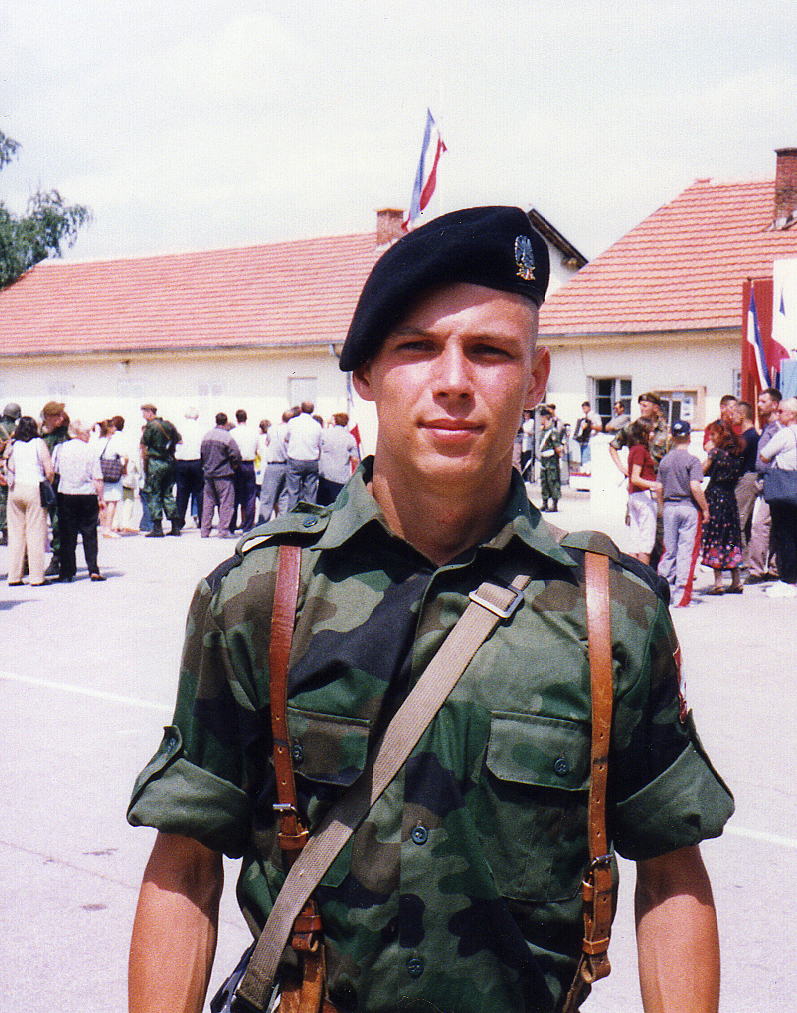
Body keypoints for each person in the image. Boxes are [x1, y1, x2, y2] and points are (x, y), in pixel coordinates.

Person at [128, 207, 732, 1013]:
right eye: (416, 347)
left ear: (536, 377)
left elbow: (669, 870)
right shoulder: (260, 596)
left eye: (489, 351)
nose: (453, 380)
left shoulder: (609, 611)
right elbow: (185, 862)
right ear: (364, 372)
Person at [656, 420, 709, 607]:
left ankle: (661, 591)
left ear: (672, 437)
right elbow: (695, 486)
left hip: (670, 506)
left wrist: (663, 506)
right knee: (686, 552)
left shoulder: (665, 460)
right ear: (689, 437)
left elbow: (659, 487)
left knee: (669, 551)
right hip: (688, 506)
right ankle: (681, 596)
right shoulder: (692, 460)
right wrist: (705, 508)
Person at [53, 418, 106, 582]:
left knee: (67, 534)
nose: (89, 435)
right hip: (87, 494)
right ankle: (93, 569)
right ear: (80, 433)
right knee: (89, 532)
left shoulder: (60, 448)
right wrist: (101, 498)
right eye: (87, 432)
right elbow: (97, 477)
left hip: (66, 493)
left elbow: (54, 470)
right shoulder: (91, 450)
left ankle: (67, 572)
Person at [3, 415, 54, 586]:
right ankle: (37, 577)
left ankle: (14, 576)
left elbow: (10, 467)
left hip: (15, 489)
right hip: (34, 488)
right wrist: (48, 483)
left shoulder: (14, 444)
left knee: (16, 534)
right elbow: (49, 469)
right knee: (35, 533)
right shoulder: (39, 443)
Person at [758, 397, 797, 598]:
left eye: (781, 411)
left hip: (785, 489)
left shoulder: (785, 434)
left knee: (784, 535)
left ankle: (789, 579)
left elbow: (764, 455)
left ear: (792, 414)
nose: (778, 414)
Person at [701, 420, 745, 595]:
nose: (711, 438)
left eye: (713, 434)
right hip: (730, 497)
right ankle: (736, 581)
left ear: (721, 435)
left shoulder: (716, 453)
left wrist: (709, 452)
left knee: (715, 535)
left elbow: (702, 470)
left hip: (715, 496)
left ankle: (718, 582)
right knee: (731, 537)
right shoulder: (736, 453)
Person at [746, 387, 782, 584]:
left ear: (774, 405)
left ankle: (757, 570)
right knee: (772, 524)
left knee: (761, 525)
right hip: (767, 480)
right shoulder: (768, 428)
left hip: (774, 480)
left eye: (763, 402)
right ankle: (774, 567)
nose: (759, 405)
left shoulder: (777, 429)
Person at [140, 404, 181, 537]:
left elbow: (143, 444)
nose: (143, 416)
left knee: (153, 493)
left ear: (149, 412)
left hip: (155, 463)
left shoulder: (151, 426)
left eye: (144, 412)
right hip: (169, 462)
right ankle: (175, 526)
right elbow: (179, 440)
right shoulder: (169, 425)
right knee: (167, 493)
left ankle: (157, 528)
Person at [625, 419, 662, 565]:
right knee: (646, 542)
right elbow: (635, 478)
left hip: (634, 496)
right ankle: (644, 575)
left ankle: (633, 575)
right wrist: (655, 485)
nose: (653, 435)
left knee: (635, 540)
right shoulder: (641, 450)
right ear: (643, 433)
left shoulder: (634, 449)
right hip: (644, 497)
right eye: (650, 431)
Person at [40, 400, 70, 576]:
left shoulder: (64, 435)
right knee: (33, 523)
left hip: (57, 484)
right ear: (48, 416)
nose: (61, 418)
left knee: (58, 522)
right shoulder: (36, 434)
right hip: (37, 482)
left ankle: (57, 558)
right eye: (57, 415)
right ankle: (29, 560)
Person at [200, 412, 241, 538]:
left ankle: (204, 530)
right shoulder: (227, 437)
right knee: (226, 502)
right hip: (223, 474)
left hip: (208, 474)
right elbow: (236, 454)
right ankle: (223, 530)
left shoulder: (206, 436)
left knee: (208, 503)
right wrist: (234, 464)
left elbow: (202, 454)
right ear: (226, 422)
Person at [608, 393, 669, 476]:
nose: (641, 409)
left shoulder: (665, 431)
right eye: (640, 405)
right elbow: (613, 446)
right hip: (636, 478)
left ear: (655, 408)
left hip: (656, 478)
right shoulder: (632, 428)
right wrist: (621, 467)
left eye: (645, 406)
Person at [733, 401, 760, 568]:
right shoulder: (748, 436)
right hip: (745, 478)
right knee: (744, 520)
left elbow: (736, 458)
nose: (732, 417)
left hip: (747, 478)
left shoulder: (749, 437)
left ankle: (742, 561)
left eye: (735, 413)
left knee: (739, 518)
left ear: (742, 415)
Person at [285, 400, 322, 509]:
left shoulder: (293, 422)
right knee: (310, 493)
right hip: (311, 460)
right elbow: (319, 443)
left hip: (295, 459)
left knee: (293, 492)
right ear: (312, 410)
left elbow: (286, 438)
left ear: (301, 409)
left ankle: (292, 516)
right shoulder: (317, 425)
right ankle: (309, 516)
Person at [258, 409, 292, 523]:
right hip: (287, 465)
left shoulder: (272, 429)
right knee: (284, 497)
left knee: (267, 497)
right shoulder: (291, 430)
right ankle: (281, 523)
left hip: (274, 464)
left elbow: (267, 443)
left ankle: (263, 522)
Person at [318, 412, 359, 505]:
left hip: (325, 474)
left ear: (335, 421)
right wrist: (357, 472)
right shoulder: (350, 438)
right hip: (341, 477)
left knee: (322, 505)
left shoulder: (325, 433)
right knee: (337, 506)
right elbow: (355, 458)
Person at [174, 407, 205, 530]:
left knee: (181, 493)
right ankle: (202, 520)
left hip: (182, 462)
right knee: (200, 492)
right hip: (197, 461)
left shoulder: (179, 428)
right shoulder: (201, 428)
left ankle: (179, 521)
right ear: (197, 417)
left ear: (185, 416)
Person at [99, 416, 128, 538]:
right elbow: (124, 455)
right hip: (112, 472)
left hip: (100, 472)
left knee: (102, 501)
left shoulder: (99, 441)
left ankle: (103, 527)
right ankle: (108, 528)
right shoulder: (114, 441)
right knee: (112, 501)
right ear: (110, 428)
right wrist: (124, 467)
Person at [231, 409, 259, 532]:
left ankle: (232, 524)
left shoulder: (232, 433)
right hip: (249, 464)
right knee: (250, 496)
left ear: (236, 419)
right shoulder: (254, 432)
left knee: (235, 495)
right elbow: (257, 449)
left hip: (237, 465)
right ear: (246, 418)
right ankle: (248, 524)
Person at [0, 401, 22, 545]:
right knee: (12, 499)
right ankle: (10, 531)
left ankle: (3, 528)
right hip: (13, 468)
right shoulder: (19, 430)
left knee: (1, 500)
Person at [537, 406, 562, 511]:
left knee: (552, 480)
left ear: (544, 417)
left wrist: (559, 457)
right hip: (544, 458)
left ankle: (554, 504)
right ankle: (545, 502)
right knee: (544, 480)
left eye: (541, 418)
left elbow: (557, 447)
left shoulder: (553, 431)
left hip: (551, 459)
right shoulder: (543, 431)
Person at [572, 401, 603, 474]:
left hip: (591, 438)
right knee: (581, 457)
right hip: (583, 440)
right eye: (583, 408)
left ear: (589, 407)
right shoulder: (582, 417)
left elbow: (600, 427)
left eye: (585, 408)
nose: (584, 410)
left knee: (587, 458)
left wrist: (589, 426)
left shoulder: (595, 416)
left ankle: (587, 470)